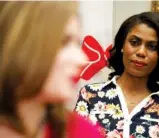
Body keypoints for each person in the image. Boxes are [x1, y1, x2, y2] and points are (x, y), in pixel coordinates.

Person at [0, 2, 104, 138]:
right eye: (64, 42)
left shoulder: (82, 132)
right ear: (20, 45)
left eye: (77, 44)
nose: (81, 59)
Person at [75, 12, 159, 138]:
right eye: (134, 42)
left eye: (152, 47)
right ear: (122, 45)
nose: (141, 52)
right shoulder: (89, 95)